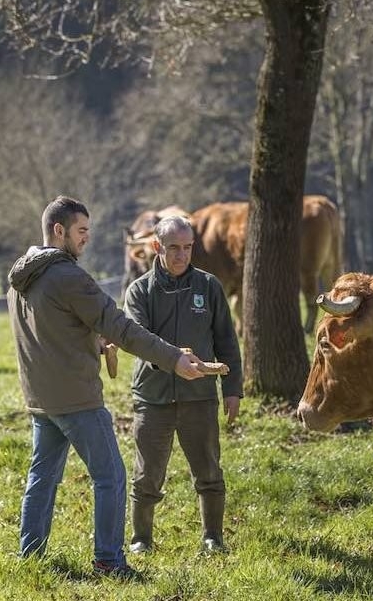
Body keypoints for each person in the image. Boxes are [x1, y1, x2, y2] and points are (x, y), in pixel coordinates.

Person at [7, 196, 206, 579]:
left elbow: (47, 331)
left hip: (40, 399)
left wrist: (91, 343)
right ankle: (109, 561)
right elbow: (122, 327)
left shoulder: (20, 277)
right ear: (59, 230)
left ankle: (29, 555)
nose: (86, 239)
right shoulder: (68, 276)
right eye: (81, 231)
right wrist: (174, 359)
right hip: (77, 399)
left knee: (42, 477)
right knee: (111, 476)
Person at [123, 214, 243, 554]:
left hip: (200, 396)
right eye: (173, 247)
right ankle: (141, 539)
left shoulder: (209, 286)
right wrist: (173, 362)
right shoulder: (139, 291)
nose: (181, 255)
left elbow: (226, 341)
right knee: (147, 475)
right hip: (153, 396)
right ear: (157, 247)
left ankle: (212, 538)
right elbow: (138, 339)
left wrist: (233, 388)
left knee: (209, 470)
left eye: (187, 247)